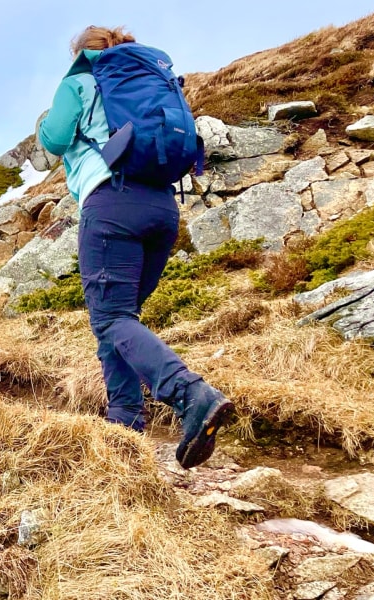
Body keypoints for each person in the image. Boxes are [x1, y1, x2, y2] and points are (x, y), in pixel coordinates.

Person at [37, 25, 234, 469]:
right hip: (163, 208)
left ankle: (193, 395)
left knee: (110, 319)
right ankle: (123, 429)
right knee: (120, 323)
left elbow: (52, 139)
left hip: (113, 204)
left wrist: (48, 120)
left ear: (81, 53)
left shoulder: (80, 82)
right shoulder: (148, 82)